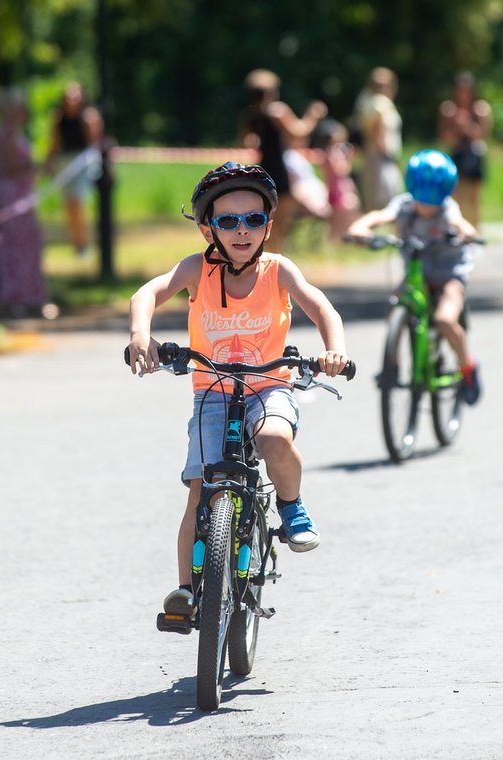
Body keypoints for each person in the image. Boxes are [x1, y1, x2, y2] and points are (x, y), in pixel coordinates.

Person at [126, 162, 350, 615]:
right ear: (208, 230)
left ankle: (291, 506)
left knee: (272, 438)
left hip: (269, 386)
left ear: (268, 224)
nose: (242, 230)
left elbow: (321, 306)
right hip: (213, 392)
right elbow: (145, 295)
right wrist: (139, 335)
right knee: (200, 489)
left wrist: (334, 350)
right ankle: (187, 593)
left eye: (253, 219)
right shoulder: (196, 270)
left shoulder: (278, 270)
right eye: (228, 220)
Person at [345, 149, 482, 405]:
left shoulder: (448, 209)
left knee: (445, 319)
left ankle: (468, 368)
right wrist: (360, 228)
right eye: (422, 199)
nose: (427, 206)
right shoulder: (403, 205)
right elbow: (380, 216)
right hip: (417, 272)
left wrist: (467, 232)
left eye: (434, 200)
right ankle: (392, 367)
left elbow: (460, 223)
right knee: (395, 306)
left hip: (449, 273)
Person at [238, 69, 328, 251]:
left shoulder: (250, 115)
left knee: (267, 219)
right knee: (281, 221)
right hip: (280, 171)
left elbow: (246, 140)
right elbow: (299, 131)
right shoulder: (277, 111)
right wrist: (313, 115)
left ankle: (265, 255)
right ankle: (276, 260)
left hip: (263, 170)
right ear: (271, 92)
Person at [0, 87, 50, 318]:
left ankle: (30, 296)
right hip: (12, 196)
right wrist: (35, 167)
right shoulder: (5, 134)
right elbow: (10, 167)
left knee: (28, 245)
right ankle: (17, 297)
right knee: (17, 247)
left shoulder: (15, 133)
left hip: (21, 194)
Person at [43, 82, 104, 258]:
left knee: (78, 203)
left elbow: (95, 144)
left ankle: (84, 243)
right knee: (69, 206)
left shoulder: (89, 117)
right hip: (65, 164)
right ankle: (77, 244)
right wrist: (47, 164)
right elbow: (54, 145)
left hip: (83, 163)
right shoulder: (58, 118)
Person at [438, 71, 492, 229]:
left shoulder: (481, 109)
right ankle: (456, 230)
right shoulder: (448, 109)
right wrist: (455, 126)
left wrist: (466, 125)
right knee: (455, 196)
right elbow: (444, 137)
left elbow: (483, 135)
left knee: (474, 198)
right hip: (457, 154)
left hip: (475, 154)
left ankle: (474, 231)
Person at [353, 67, 403, 211]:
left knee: (375, 198)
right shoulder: (380, 102)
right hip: (382, 156)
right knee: (388, 199)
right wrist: (389, 157)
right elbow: (378, 130)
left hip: (372, 156)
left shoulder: (367, 100)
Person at [316, 119, 362, 239]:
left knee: (342, 219)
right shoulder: (332, 153)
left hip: (338, 190)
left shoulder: (331, 152)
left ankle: (342, 240)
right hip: (338, 191)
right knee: (339, 221)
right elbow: (340, 170)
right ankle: (339, 241)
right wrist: (349, 159)